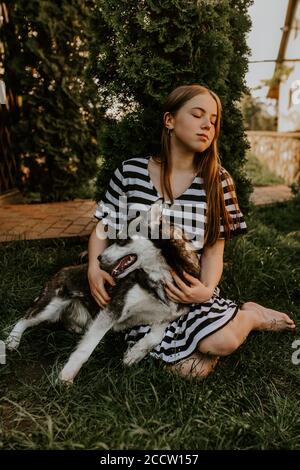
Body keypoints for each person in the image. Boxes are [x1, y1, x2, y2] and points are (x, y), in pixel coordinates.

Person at [87, 84, 296, 380]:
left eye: (212, 121)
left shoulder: (217, 180)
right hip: (145, 296)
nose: (206, 125)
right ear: (169, 120)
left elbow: (213, 250)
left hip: (191, 291)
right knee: (192, 371)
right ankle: (223, 325)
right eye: (197, 115)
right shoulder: (130, 172)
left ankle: (250, 316)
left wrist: (206, 291)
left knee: (221, 342)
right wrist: (94, 268)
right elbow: (103, 227)